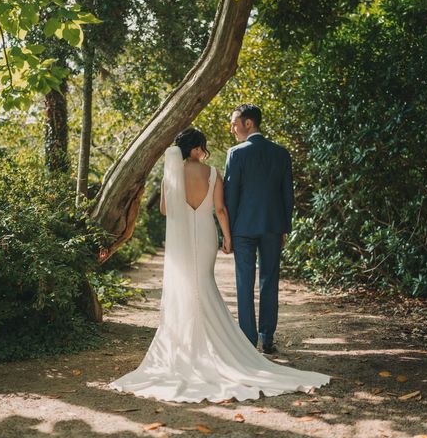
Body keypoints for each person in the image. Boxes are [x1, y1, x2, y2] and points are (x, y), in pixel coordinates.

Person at [107, 128, 330, 403]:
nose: (205, 150)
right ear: (196, 148)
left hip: (182, 238)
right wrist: (227, 237)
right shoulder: (212, 173)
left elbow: (165, 210)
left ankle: (189, 347)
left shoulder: (171, 175)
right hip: (205, 232)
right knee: (204, 284)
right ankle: (221, 345)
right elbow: (221, 209)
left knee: (188, 287)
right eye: (203, 146)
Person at [224, 103, 291, 354]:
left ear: (248, 123)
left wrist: (227, 233)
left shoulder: (236, 153)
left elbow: (231, 196)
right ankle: (268, 338)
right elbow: (287, 194)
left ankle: (247, 340)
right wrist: (285, 227)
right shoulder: (281, 153)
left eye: (234, 123)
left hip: (243, 228)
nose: (232, 128)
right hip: (273, 225)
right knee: (269, 280)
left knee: (244, 283)